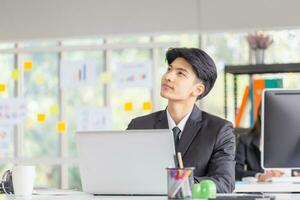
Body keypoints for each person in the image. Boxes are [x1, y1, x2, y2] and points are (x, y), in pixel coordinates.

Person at [127, 48, 235, 193]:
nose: (168, 77)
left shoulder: (219, 130)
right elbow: (124, 172)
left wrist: (178, 183)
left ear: (198, 89)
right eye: (169, 69)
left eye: (180, 73)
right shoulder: (139, 126)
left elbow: (224, 182)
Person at [235, 105, 285, 182]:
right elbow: (236, 171)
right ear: (260, 113)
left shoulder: (290, 139)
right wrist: (258, 176)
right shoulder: (245, 140)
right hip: (260, 188)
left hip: (288, 185)